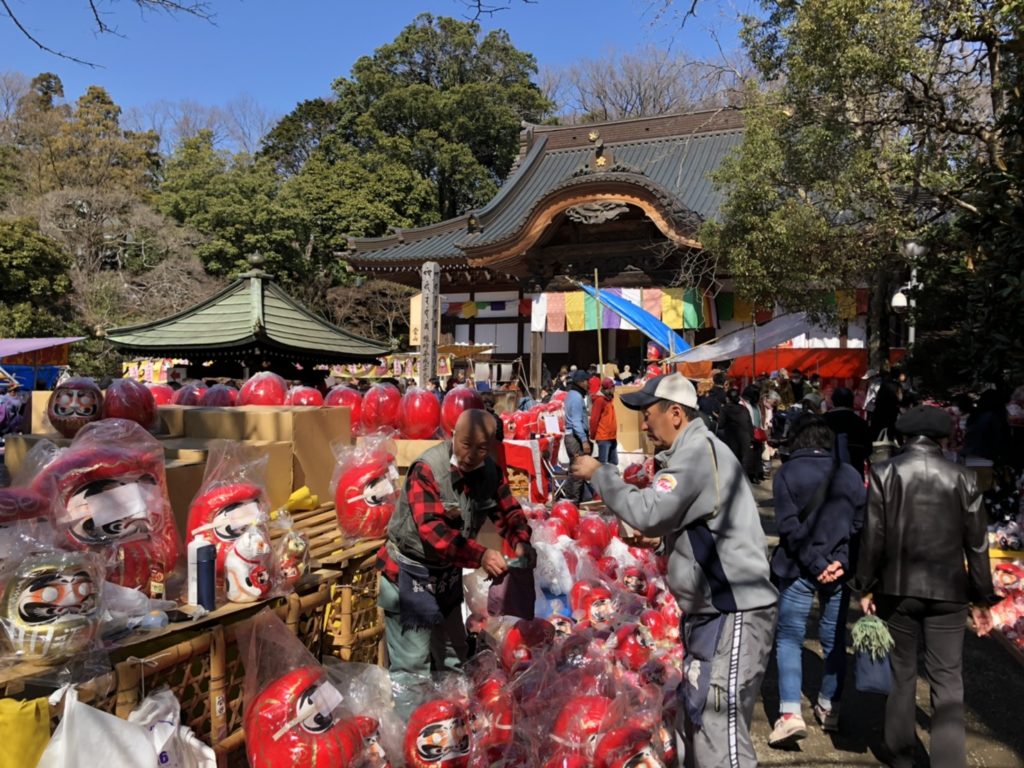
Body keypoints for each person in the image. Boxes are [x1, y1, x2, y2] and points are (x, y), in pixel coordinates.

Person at [571, 373, 778, 768]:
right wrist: (665, 543)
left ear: (677, 414)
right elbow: (705, 524)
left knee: (720, 735)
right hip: (712, 613)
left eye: (649, 415)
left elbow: (650, 512)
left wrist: (601, 474)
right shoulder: (696, 451)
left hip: (733, 611)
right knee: (696, 724)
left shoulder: (695, 453)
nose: (645, 425)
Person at [854, 405, 996, 768]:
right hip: (950, 590)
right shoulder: (963, 477)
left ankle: (901, 754)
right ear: (943, 437)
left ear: (903, 436)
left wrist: (865, 586)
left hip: (896, 588)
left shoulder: (885, 472)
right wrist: (982, 599)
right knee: (947, 678)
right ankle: (948, 761)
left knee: (902, 673)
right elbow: (977, 544)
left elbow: (874, 535)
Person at [376, 410, 534, 717]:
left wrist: (521, 541)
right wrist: (481, 555)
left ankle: (452, 729)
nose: (471, 455)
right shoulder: (427, 469)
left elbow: (509, 511)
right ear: (452, 435)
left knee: (452, 656)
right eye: (465, 444)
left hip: (446, 579)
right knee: (413, 668)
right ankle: (412, 742)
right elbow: (434, 532)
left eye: (481, 449)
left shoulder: (490, 471)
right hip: (411, 576)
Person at [768, 414, 866, 747]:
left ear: (795, 440)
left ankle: (791, 714)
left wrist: (815, 561)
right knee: (833, 639)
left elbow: (787, 526)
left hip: (798, 568)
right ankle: (829, 707)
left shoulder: (787, 474)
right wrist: (838, 561)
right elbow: (858, 525)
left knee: (790, 638)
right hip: (837, 573)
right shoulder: (850, 475)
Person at [824, 387, 872, 475]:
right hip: (855, 472)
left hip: (826, 474)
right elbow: (868, 450)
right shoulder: (861, 423)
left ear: (833, 401)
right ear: (851, 402)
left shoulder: (822, 421)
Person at [561, 370, 592, 502]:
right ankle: (573, 501)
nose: (588, 384)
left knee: (574, 471)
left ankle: (566, 498)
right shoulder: (577, 397)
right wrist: (584, 441)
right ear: (581, 382)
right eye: (586, 381)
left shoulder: (572, 395)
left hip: (572, 437)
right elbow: (576, 422)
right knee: (579, 472)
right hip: (575, 438)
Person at [717, 387, 755, 480]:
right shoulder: (744, 409)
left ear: (728, 398)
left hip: (732, 438)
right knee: (743, 463)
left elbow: (720, 424)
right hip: (745, 438)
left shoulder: (725, 409)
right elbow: (750, 424)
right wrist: (751, 439)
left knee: (732, 462)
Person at [589, 377, 618, 466]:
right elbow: (594, 419)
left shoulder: (609, 399)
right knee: (603, 464)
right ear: (608, 388)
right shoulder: (600, 401)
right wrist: (593, 435)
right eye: (613, 387)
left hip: (612, 437)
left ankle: (611, 480)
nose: (614, 389)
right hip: (603, 437)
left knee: (614, 463)